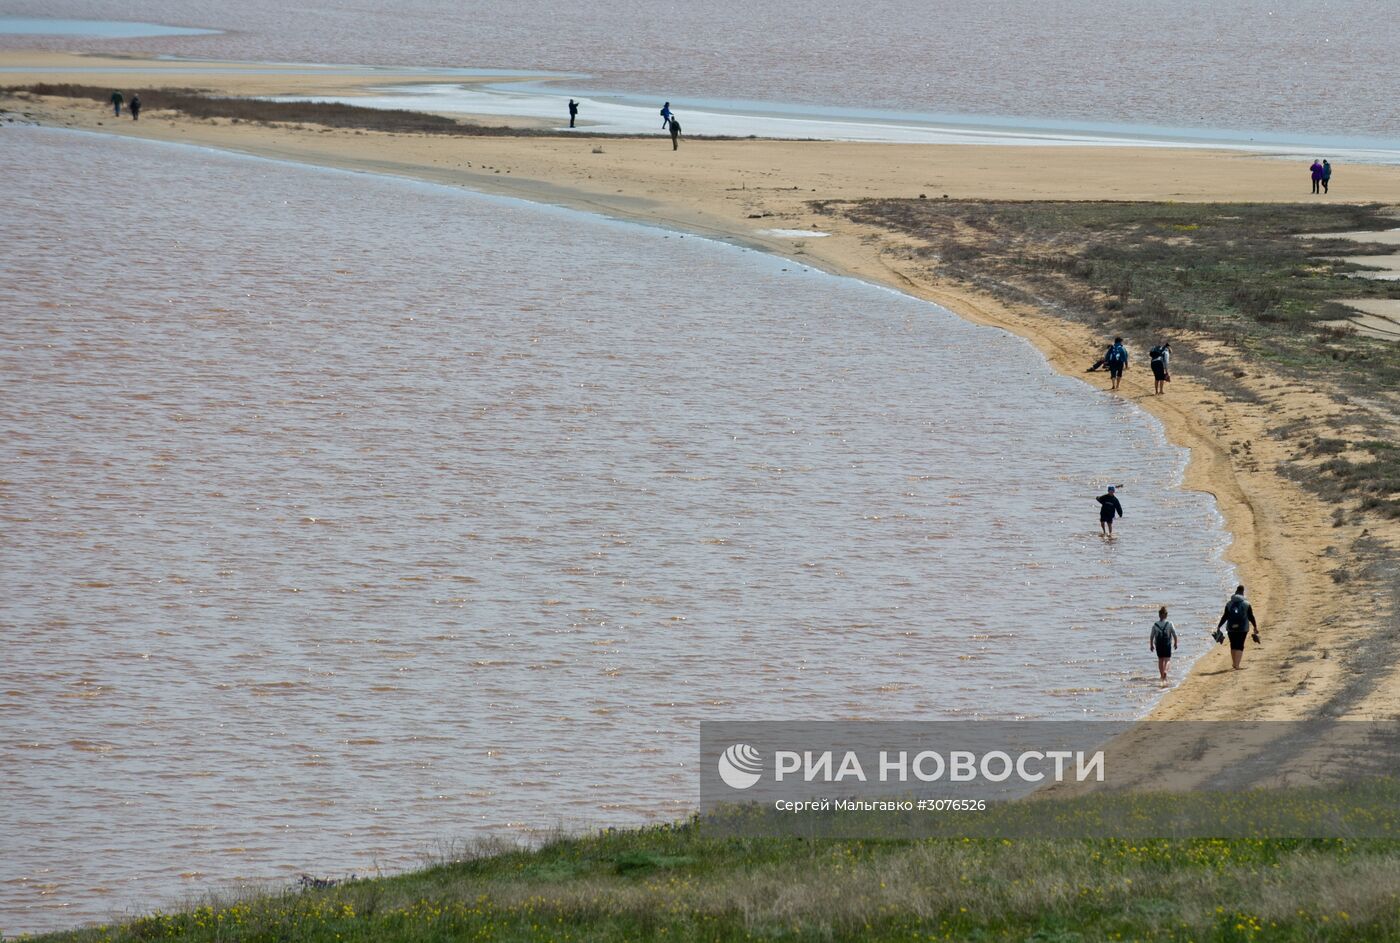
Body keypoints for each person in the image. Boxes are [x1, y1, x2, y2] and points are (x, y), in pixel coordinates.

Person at [1216, 584, 1260, 670]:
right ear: (1243, 593)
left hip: (1231, 628)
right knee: (1240, 645)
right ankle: (1237, 665)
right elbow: (1251, 616)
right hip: (1243, 628)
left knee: (1233, 645)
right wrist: (1255, 626)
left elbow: (1225, 616)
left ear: (1235, 593)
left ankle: (1234, 663)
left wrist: (1219, 626)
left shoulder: (1229, 604)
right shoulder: (1246, 604)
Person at [1150, 606, 1178, 683]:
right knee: (1167, 659)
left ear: (1159, 615)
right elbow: (1174, 634)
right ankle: (1165, 671)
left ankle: (1162, 676)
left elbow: (1152, 636)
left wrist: (1151, 645)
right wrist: (1175, 643)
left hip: (1158, 645)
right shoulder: (1169, 624)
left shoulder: (1155, 625)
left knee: (1160, 660)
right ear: (1166, 615)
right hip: (1167, 644)